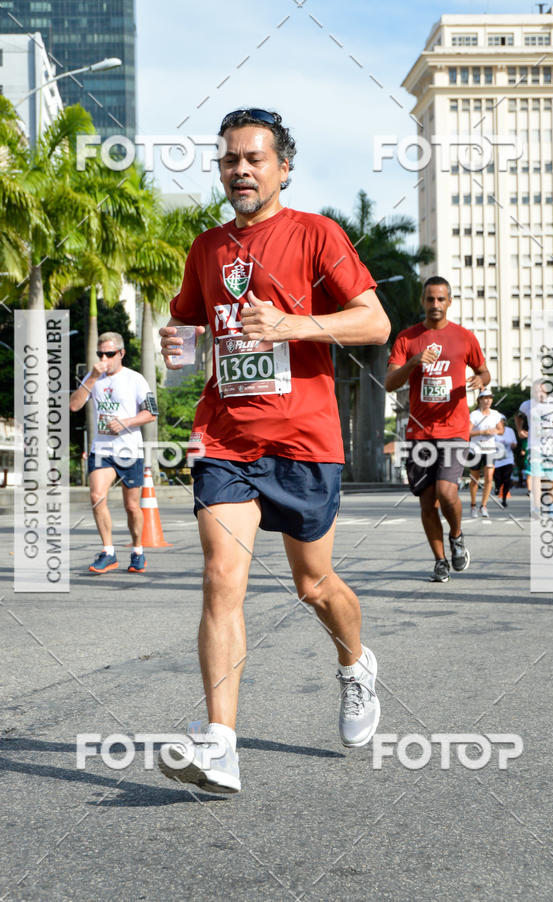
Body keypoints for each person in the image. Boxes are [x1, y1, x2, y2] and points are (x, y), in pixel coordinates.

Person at [156, 108, 390, 794]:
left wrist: (292, 323)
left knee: (313, 585)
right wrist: (181, 344)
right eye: (230, 159)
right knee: (221, 578)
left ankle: (354, 666)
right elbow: (190, 328)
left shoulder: (317, 234)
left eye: (254, 158)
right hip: (226, 438)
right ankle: (220, 744)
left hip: (304, 440)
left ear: (283, 167)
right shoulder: (207, 249)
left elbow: (374, 321)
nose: (240, 170)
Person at [385, 276, 490, 583]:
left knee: (446, 492)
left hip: (455, 429)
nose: (435, 305)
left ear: (449, 301)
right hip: (419, 433)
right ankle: (440, 559)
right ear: (423, 301)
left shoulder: (464, 337)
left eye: (440, 299)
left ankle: (456, 536)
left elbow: (483, 370)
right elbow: (390, 383)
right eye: (430, 299)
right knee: (426, 500)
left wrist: (482, 380)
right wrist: (414, 362)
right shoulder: (407, 339)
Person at [68, 332, 157, 573]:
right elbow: (74, 405)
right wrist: (93, 377)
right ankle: (108, 551)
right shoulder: (93, 377)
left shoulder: (135, 379)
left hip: (129, 449)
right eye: (100, 354)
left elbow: (151, 413)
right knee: (97, 495)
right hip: (102, 448)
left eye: (109, 353)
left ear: (121, 353)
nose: (104, 358)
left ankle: (138, 550)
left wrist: (126, 422)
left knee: (131, 506)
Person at [516, 379, 553, 516]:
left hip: (551, 447)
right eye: (534, 391)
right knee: (535, 475)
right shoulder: (526, 405)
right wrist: (519, 430)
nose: (536, 393)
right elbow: (518, 416)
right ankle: (536, 507)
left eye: (539, 390)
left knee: (549, 478)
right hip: (534, 447)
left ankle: (549, 504)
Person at [468, 389, 505, 519]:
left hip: (490, 449)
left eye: (490, 398)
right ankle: (473, 505)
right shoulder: (474, 415)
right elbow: (467, 432)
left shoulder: (495, 414)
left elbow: (501, 430)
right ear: (480, 400)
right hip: (476, 449)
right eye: (485, 398)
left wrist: (493, 431)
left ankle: (483, 506)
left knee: (489, 477)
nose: (488, 400)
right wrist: (482, 432)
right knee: (475, 479)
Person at [493, 416, 517, 508]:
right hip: (497, 459)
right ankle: (497, 487)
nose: (499, 423)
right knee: (498, 479)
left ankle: (504, 500)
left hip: (508, 459)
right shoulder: (492, 431)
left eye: (501, 421)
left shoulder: (510, 430)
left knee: (506, 479)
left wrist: (512, 445)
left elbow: (514, 444)